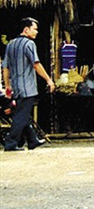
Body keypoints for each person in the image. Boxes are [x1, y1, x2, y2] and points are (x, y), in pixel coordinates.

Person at [2, 17, 54, 151]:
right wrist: (48, 79)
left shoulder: (11, 44)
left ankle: (32, 140)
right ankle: (10, 142)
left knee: (23, 113)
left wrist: (7, 85)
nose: (36, 32)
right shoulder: (29, 44)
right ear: (26, 29)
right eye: (34, 29)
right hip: (27, 87)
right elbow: (36, 64)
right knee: (21, 115)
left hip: (16, 86)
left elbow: (5, 67)